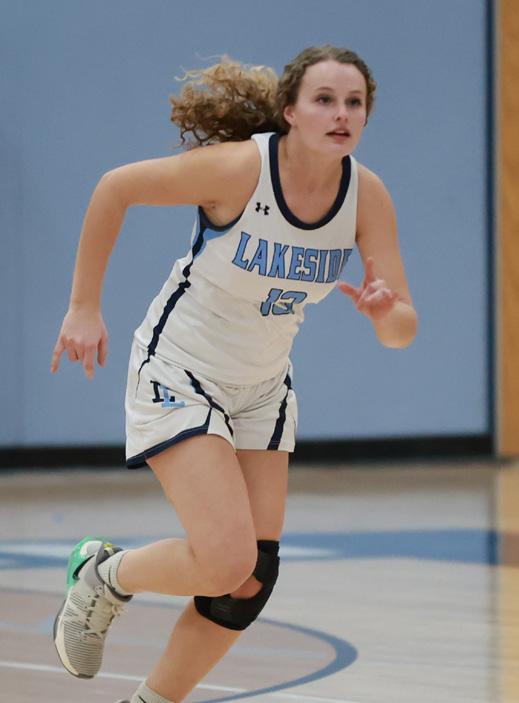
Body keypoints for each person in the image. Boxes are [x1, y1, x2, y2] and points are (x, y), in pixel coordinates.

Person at [50, 45, 417, 703]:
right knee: (225, 560)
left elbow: (401, 330)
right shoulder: (241, 168)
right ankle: (104, 574)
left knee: (247, 583)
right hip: (180, 368)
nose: (341, 114)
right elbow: (115, 187)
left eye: (354, 102)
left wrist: (385, 314)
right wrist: (83, 306)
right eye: (324, 100)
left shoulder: (368, 196)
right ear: (290, 111)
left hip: (262, 387)